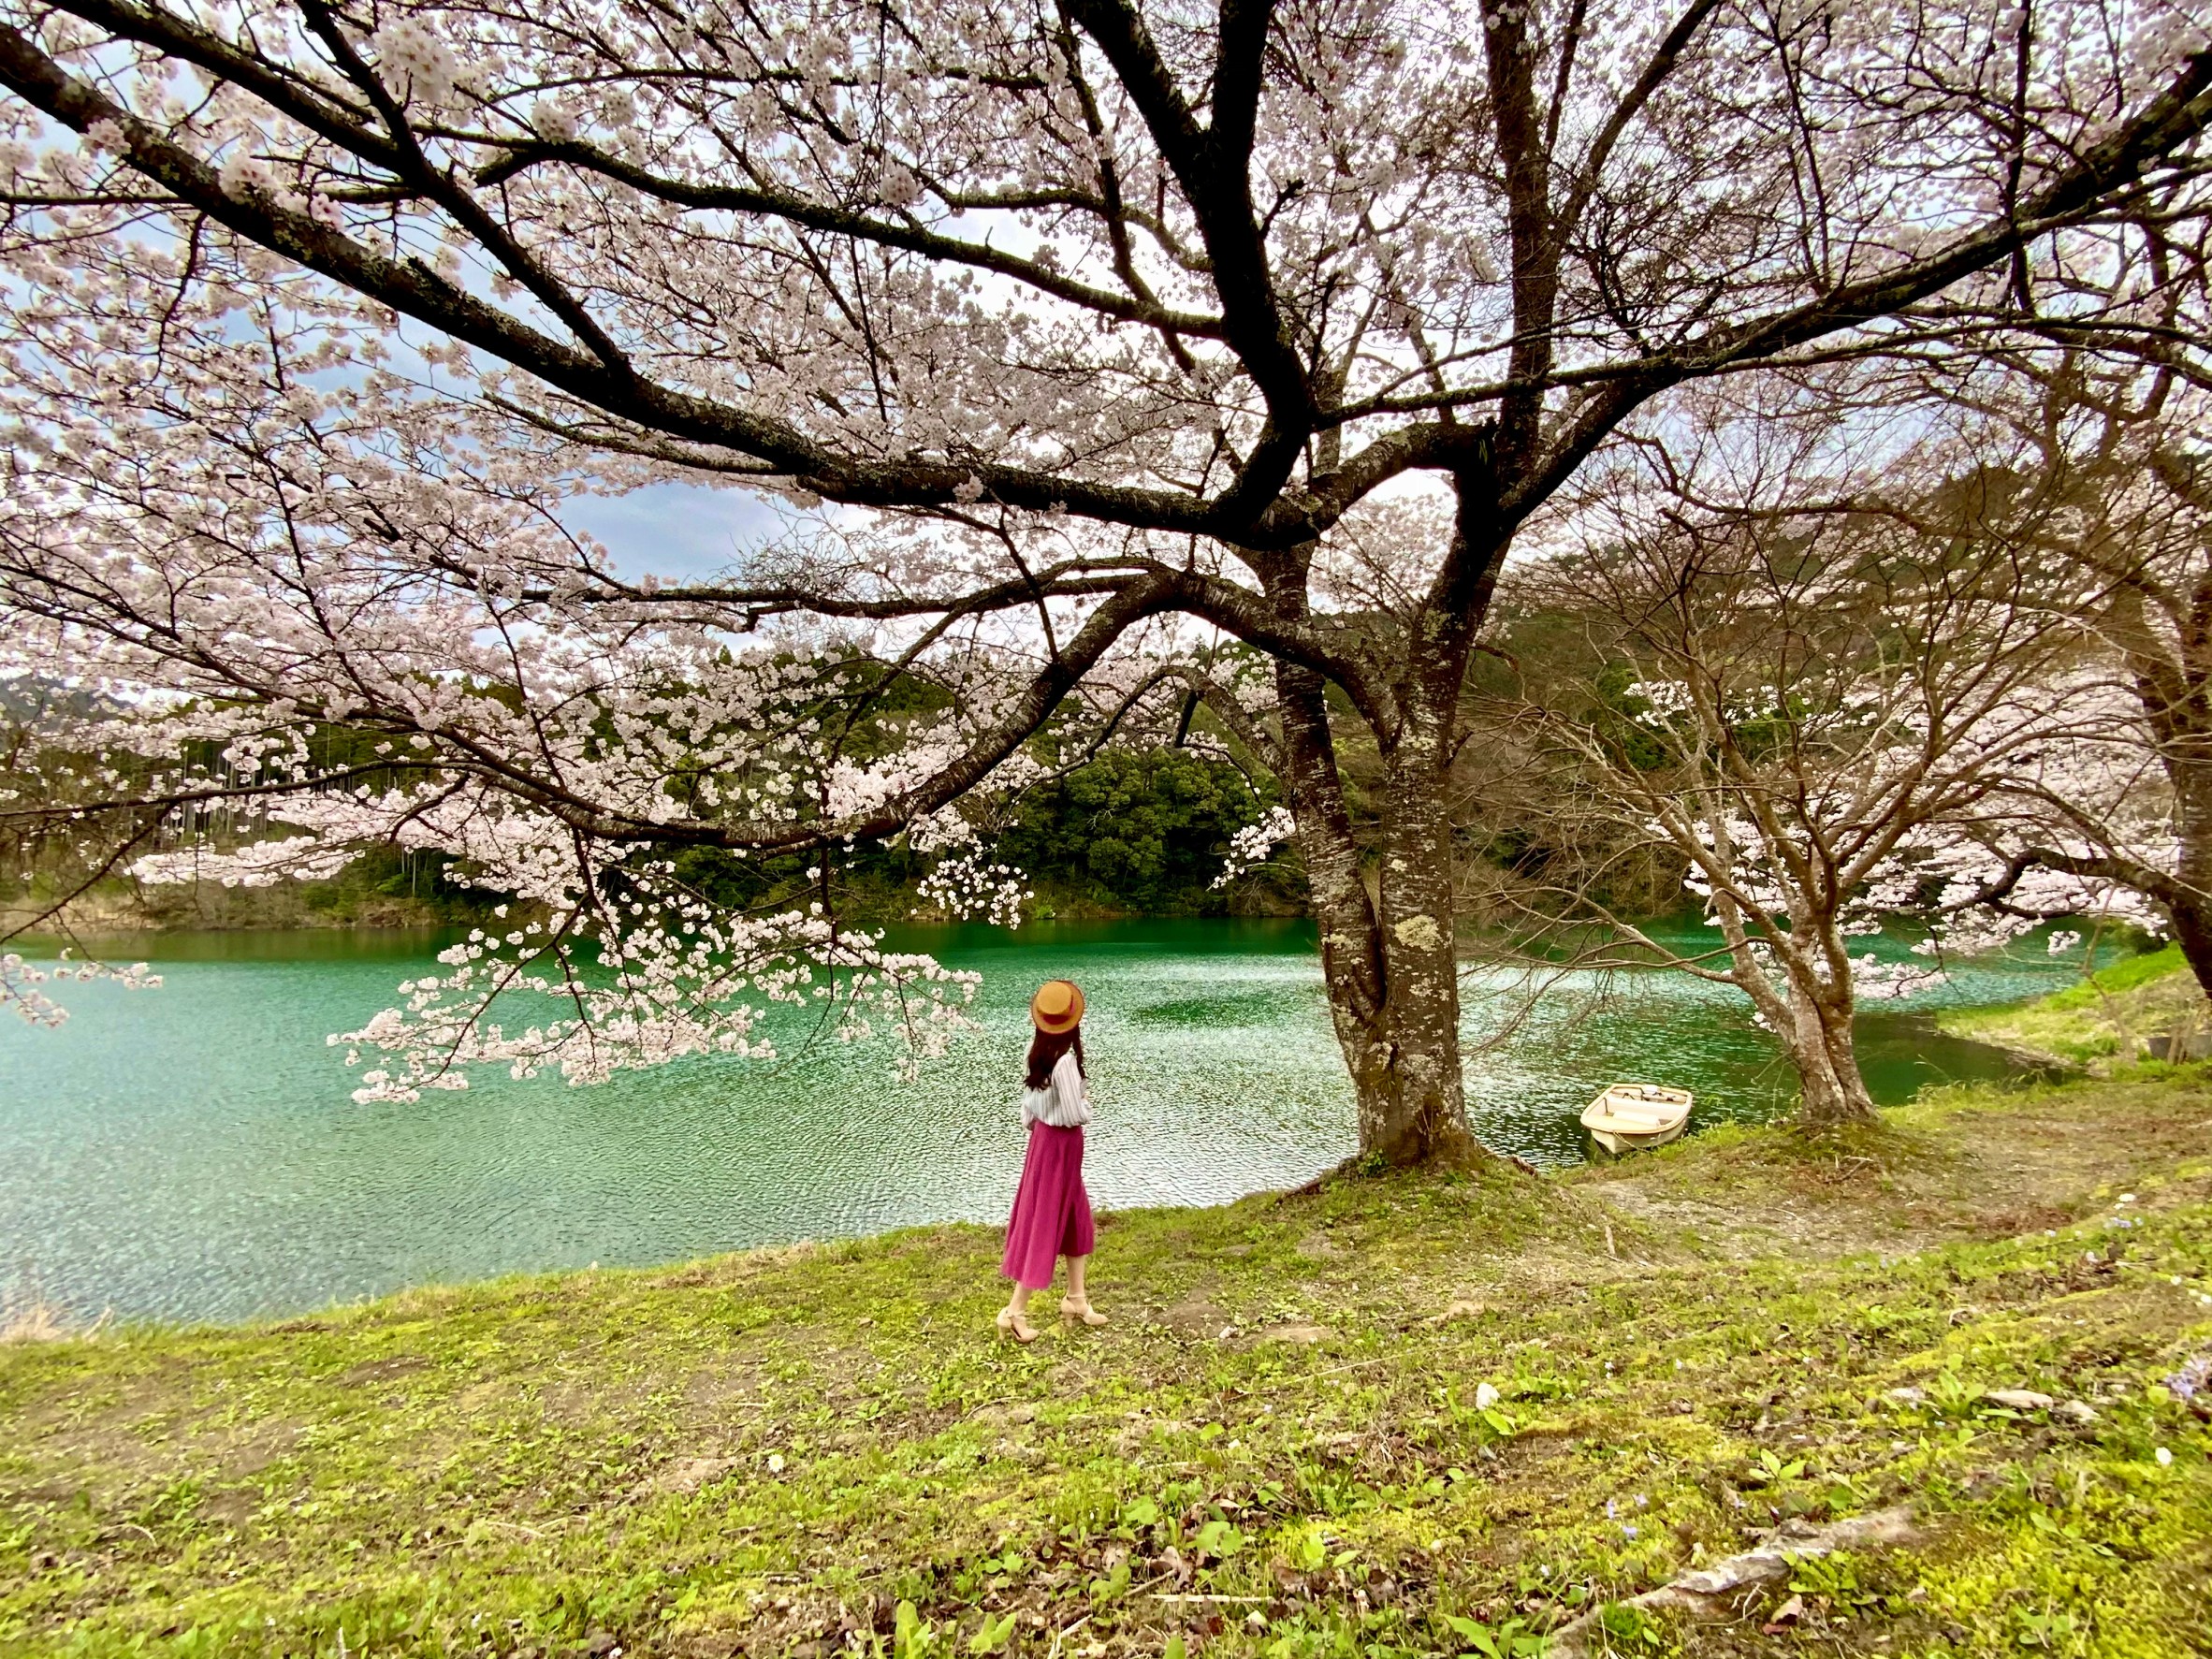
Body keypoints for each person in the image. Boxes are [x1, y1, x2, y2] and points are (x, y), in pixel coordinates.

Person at [997, 979, 1107, 1341]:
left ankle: (1076, 1298)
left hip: (1043, 1141)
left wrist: (1045, 1122)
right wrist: (1086, 1105)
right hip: (1062, 1144)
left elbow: (1027, 1113)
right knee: (1045, 1220)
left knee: (1075, 1217)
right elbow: (1075, 1113)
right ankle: (1014, 1312)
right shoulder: (1065, 1063)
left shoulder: (1036, 1054)